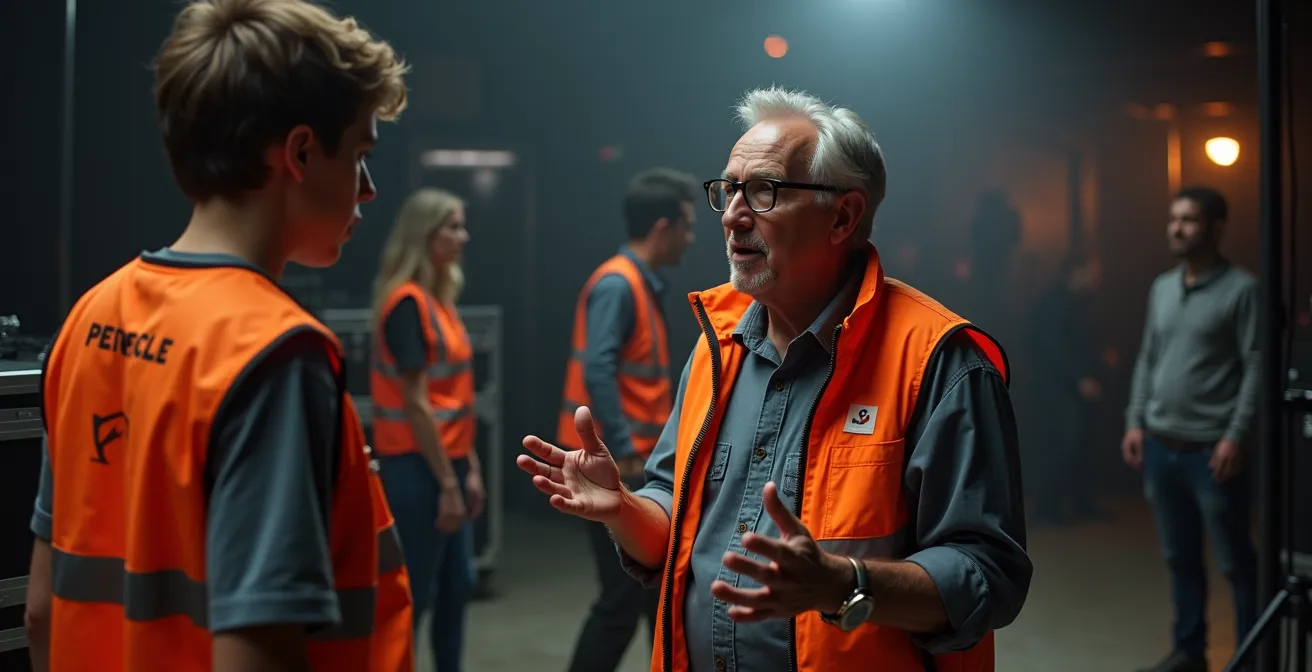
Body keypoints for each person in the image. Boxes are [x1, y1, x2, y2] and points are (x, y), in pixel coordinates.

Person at [518, 87, 1031, 672]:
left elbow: (989, 574)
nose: (734, 213)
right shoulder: (717, 347)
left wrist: (844, 584)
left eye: (763, 191)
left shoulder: (939, 363)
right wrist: (623, 509)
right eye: (728, 189)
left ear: (843, 215)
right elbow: (671, 514)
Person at [23, 1, 412, 671]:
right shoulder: (276, 353)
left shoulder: (92, 316)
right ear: (299, 152)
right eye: (359, 155)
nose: (368, 190)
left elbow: (40, 610)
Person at [557, 168, 699, 672]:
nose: (691, 237)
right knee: (620, 601)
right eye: (686, 224)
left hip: (630, 465)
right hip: (615, 467)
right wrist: (625, 451)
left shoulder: (637, 283)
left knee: (647, 598)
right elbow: (598, 370)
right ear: (662, 228)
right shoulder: (619, 284)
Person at [1122, 187, 1259, 672]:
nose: (1177, 228)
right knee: (1180, 558)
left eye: (1190, 220)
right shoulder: (1162, 287)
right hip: (1162, 445)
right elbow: (1148, 357)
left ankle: (1249, 656)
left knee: (1236, 564)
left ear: (1217, 228)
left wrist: (1234, 437)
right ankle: (1189, 651)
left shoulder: (1243, 290)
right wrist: (1135, 421)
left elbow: (1256, 367)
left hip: (1211, 451)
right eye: (1173, 218)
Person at [370, 188, 482, 672]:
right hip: (416, 471)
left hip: (446, 466)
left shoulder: (440, 300)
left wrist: (469, 467)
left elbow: (452, 399)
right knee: (413, 595)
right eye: (452, 227)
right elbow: (416, 405)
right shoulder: (408, 305)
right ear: (425, 235)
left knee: (457, 588)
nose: (463, 236)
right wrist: (448, 485)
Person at [1028, 254, 1106, 526]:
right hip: (1057, 390)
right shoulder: (1055, 303)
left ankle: (1081, 504)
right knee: (1063, 446)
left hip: (1073, 388)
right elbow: (1053, 348)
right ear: (1076, 271)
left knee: (1083, 445)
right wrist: (1080, 378)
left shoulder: (1079, 303)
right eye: (1093, 271)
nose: (1098, 278)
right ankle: (1046, 510)